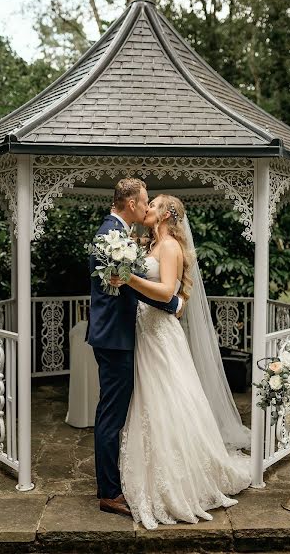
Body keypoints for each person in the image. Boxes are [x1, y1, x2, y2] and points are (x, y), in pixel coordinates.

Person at [110, 194, 251, 530]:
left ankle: (184, 478)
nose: (147, 208)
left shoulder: (170, 246)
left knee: (168, 397)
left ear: (165, 215)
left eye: (153, 205)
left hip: (160, 333)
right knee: (149, 401)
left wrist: (128, 277)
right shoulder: (146, 244)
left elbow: (167, 292)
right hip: (144, 332)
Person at [87, 179, 182, 518]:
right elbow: (125, 287)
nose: (146, 209)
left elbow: (128, 283)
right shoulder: (109, 236)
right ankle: (109, 492)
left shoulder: (121, 235)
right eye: (144, 203)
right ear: (130, 203)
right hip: (114, 339)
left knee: (116, 413)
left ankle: (112, 483)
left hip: (123, 336)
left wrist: (168, 299)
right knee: (111, 415)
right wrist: (171, 305)